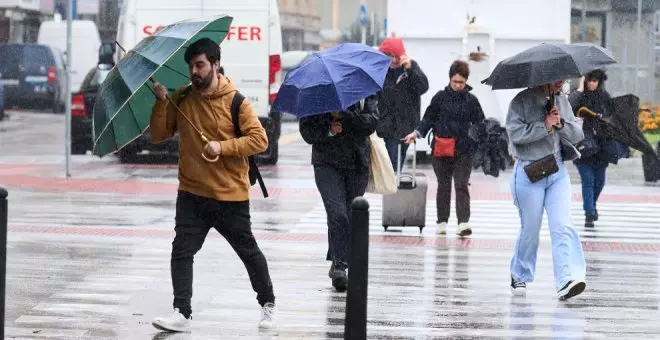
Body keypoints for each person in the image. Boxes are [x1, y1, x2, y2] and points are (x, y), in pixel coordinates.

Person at [149, 38, 276, 332]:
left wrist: (223, 147)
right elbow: (158, 135)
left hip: (229, 195)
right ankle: (182, 311)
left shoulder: (236, 101)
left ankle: (267, 302)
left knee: (248, 251)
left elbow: (260, 140)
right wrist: (160, 103)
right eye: (191, 66)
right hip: (192, 193)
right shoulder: (181, 98)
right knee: (182, 250)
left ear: (215, 64)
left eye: (200, 65)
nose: (194, 71)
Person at [506, 79, 587, 301]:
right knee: (530, 230)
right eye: (557, 78)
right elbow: (515, 134)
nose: (562, 81)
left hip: (557, 172)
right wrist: (544, 125)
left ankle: (566, 280)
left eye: (564, 77)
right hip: (528, 172)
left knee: (562, 226)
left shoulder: (562, 101)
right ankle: (519, 274)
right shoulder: (521, 101)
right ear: (544, 77)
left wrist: (561, 125)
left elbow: (578, 133)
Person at [299, 96, 378, 292]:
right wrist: (328, 128)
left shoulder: (363, 92)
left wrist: (344, 115)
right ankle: (340, 266)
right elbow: (307, 132)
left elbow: (371, 123)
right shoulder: (317, 95)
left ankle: (338, 261)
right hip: (326, 164)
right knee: (337, 213)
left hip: (357, 163)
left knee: (349, 216)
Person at [404, 60, 485, 236]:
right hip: (441, 150)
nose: (457, 85)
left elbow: (480, 124)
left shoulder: (472, 101)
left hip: (464, 150)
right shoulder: (439, 98)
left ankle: (463, 222)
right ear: (449, 80)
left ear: (466, 82)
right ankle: (442, 221)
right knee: (444, 185)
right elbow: (428, 119)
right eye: (455, 82)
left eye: (461, 82)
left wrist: (478, 140)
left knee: (461, 184)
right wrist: (416, 133)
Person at [376, 37, 429, 172]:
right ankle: (393, 188)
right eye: (389, 56)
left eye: (396, 56)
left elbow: (423, 87)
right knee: (393, 164)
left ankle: (393, 188)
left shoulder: (411, 67)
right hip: (387, 126)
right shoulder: (380, 71)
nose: (393, 60)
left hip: (406, 126)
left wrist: (410, 69)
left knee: (398, 160)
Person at [568, 70, 613, 228]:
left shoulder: (604, 96)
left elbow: (611, 116)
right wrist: (580, 88)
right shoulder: (577, 95)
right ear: (585, 80)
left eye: (596, 81)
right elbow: (568, 107)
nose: (593, 83)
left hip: (601, 147)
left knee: (600, 182)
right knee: (588, 181)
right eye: (590, 80)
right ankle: (589, 213)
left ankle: (591, 206)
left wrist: (603, 119)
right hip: (583, 145)